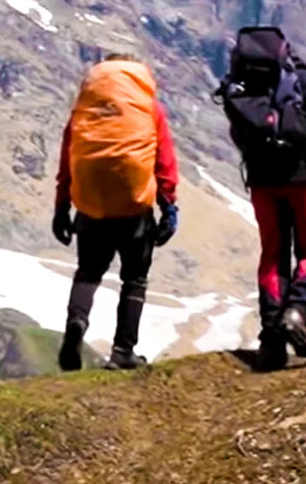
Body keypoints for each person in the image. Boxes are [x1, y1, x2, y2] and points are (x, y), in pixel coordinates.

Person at [215, 26, 306, 371]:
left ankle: (271, 341)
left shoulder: (242, 87)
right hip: (302, 179)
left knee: (273, 257)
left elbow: (239, 134)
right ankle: (297, 311)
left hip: (263, 182)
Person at [52, 53, 179, 372]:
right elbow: (163, 160)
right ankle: (123, 351)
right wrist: (169, 206)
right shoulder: (147, 106)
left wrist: (61, 208)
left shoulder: (85, 108)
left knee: (88, 272)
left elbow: (68, 160)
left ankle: (76, 325)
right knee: (134, 278)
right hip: (134, 206)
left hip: (91, 204)